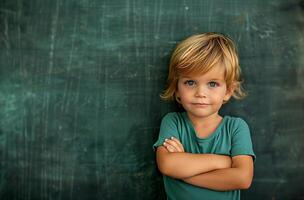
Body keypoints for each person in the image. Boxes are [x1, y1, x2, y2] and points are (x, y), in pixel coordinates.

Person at [153, 32, 256, 200]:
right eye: (190, 82)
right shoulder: (173, 122)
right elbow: (167, 165)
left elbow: (242, 179)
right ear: (177, 88)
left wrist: (183, 172)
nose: (200, 93)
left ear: (228, 91)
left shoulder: (236, 128)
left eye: (212, 84)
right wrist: (223, 162)